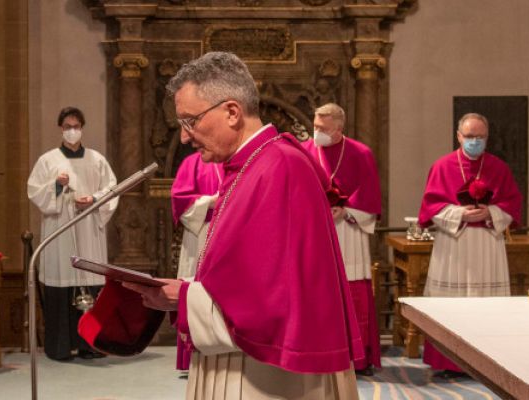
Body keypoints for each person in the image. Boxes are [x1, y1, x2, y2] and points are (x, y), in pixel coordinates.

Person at [123, 51, 362, 400]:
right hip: (242, 360)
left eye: (190, 121)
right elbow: (243, 273)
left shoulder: (280, 166)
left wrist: (186, 298)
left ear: (232, 112)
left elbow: (275, 298)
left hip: (267, 376)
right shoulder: (252, 166)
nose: (186, 137)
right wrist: (187, 291)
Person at [416, 113, 522, 377]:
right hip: (454, 244)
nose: (475, 141)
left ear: (487, 138)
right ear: (459, 136)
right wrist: (459, 214)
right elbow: (430, 207)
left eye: (480, 137)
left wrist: (492, 213)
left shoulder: (498, 168)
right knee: (452, 306)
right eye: (470, 136)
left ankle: (490, 363)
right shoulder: (442, 166)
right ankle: (448, 362)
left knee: (487, 306)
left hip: (487, 244)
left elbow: (512, 203)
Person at [26, 106, 117, 361]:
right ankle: (60, 347)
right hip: (61, 230)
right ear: (60, 129)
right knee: (62, 282)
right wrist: (56, 185)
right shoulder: (48, 160)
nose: (72, 131)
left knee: (91, 281)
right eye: (67, 127)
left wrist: (94, 199)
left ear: (82, 128)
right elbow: (34, 191)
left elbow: (111, 189)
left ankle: (91, 346)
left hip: (89, 229)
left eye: (76, 126)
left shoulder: (96, 159)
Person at [300, 103, 383, 376]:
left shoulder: (361, 153)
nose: (316, 133)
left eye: (322, 129)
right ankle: (318, 352)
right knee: (317, 289)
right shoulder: (305, 151)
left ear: (338, 129)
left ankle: (357, 357)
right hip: (316, 229)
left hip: (348, 229)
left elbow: (369, 192)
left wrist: (346, 210)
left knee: (353, 290)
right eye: (315, 126)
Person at [169, 151, 222, 373]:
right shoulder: (193, 163)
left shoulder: (240, 160)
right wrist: (210, 202)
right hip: (201, 233)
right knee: (197, 288)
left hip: (231, 233)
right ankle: (192, 356)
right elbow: (180, 200)